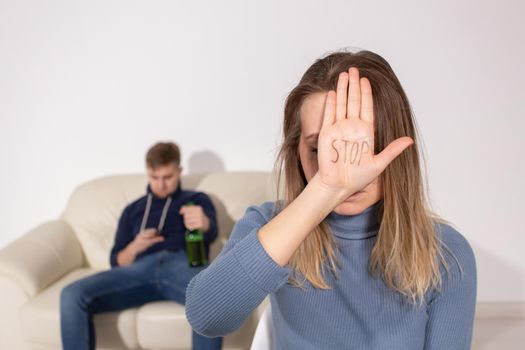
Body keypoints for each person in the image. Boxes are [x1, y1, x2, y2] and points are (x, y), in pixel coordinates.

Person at [185, 51, 476, 349]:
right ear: (295, 152)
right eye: (318, 149)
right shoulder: (269, 224)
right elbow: (207, 317)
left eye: (366, 147)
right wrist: (326, 188)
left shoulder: (447, 253)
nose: (347, 169)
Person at [60, 141, 223, 350]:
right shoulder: (133, 209)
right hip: (139, 269)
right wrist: (134, 247)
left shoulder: (196, 199)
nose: (161, 185)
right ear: (147, 173)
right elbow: (116, 260)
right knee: (71, 295)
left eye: (168, 177)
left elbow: (212, 232)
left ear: (179, 171)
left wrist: (205, 223)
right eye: (154, 178)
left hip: (182, 264)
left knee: (212, 297)